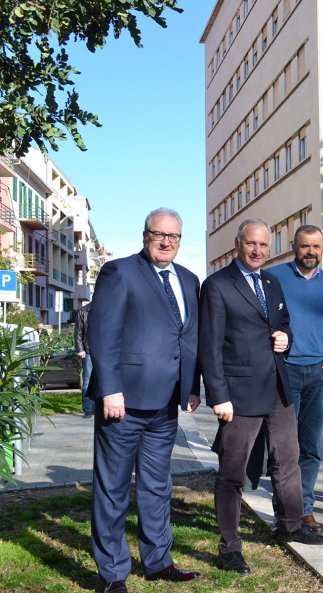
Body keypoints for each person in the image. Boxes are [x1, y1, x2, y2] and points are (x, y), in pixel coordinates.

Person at [199, 219, 323, 577]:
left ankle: (289, 525)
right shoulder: (217, 285)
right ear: (238, 243)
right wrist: (218, 396)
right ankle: (230, 548)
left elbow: (282, 323)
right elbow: (208, 347)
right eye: (251, 244)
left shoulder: (271, 282)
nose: (257, 251)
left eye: (263, 245)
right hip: (238, 395)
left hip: (278, 389)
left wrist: (284, 337)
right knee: (232, 474)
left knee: (287, 461)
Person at [87, 208, 201, 593]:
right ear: (145, 235)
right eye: (159, 234)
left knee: (157, 487)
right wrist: (109, 388)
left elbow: (189, 338)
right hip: (124, 402)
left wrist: (192, 386)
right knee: (112, 488)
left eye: (174, 236)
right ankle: (113, 573)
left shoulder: (188, 280)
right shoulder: (120, 272)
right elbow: (102, 334)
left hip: (167, 404)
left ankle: (158, 561)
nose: (166, 241)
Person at [266, 225, 323, 533]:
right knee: (284, 449)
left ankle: (305, 510)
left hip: (317, 375)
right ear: (294, 246)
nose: (311, 252)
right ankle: (283, 512)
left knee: (311, 447)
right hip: (284, 374)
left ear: (322, 248)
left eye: (316, 246)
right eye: (305, 246)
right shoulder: (275, 277)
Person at [74, 300, 94, 419]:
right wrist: (80, 349)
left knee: (101, 381)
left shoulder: (107, 309)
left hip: (103, 352)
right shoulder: (83, 311)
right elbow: (78, 333)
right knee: (87, 381)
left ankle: (97, 408)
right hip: (88, 351)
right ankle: (87, 409)